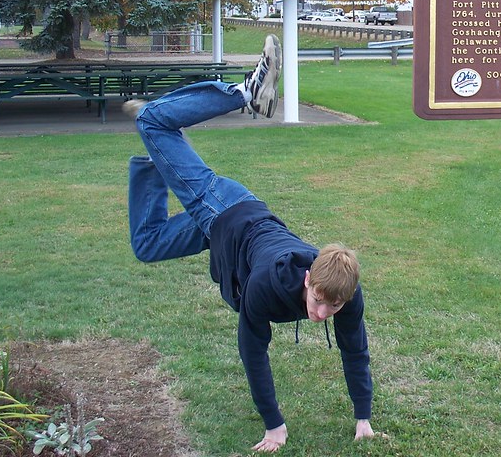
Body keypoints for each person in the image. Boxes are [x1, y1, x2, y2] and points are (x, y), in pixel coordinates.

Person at [125, 34, 375, 452]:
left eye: (332, 307)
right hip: (224, 210)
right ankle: (245, 92)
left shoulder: (344, 290)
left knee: (148, 244)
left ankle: (162, 159)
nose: (321, 314)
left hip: (229, 234)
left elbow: (355, 350)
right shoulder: (265, 285)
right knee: (151, 120)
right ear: (308, 278)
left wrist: (362, 416)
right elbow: (253, 352)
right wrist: (274, 425)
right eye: (318, 301)